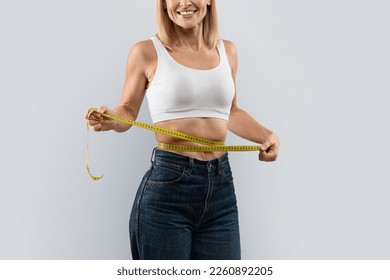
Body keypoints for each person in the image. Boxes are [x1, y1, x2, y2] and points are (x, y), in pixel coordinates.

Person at [86, 0, 279, 260]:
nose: (185, 3)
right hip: (168, 190)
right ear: (164, 4)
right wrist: (110, 118)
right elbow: (128, 112)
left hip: (221, 189)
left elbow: (230, 112)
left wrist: (267, 136)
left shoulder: (228, 51)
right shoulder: (147, 52)